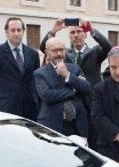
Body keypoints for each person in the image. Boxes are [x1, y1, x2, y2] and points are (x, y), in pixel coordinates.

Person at [39, 17, 112, 147]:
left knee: (94, 140)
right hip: (72, 104)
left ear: (85, 34)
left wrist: (91, 29)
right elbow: (45, 47)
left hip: (91, 101)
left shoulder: (95, 52)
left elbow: (107, 47)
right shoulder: (64, 54)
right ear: (69, 36)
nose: (76, 35)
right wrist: (53, 31)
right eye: (72, 32)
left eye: (79, 31)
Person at [34, 37, 92, 137]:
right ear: (47, 52)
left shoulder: (75, 68)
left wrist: (67, 75)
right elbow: (47, 96)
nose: (59, 54)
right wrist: (73, 90)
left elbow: (87, 88)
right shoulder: (40, 73)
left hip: (77, 126)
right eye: (55, 50)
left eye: (61, 50)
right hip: (52, 126)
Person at [0, 17, 41, 121]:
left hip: (30, 108)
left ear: (23, 32)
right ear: (7, 32)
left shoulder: (33, 53)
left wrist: (37, 102)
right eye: (13, 30)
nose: (16, 33)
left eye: (19, 30)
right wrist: (0, 103)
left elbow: (36, 81)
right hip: (7, 109)